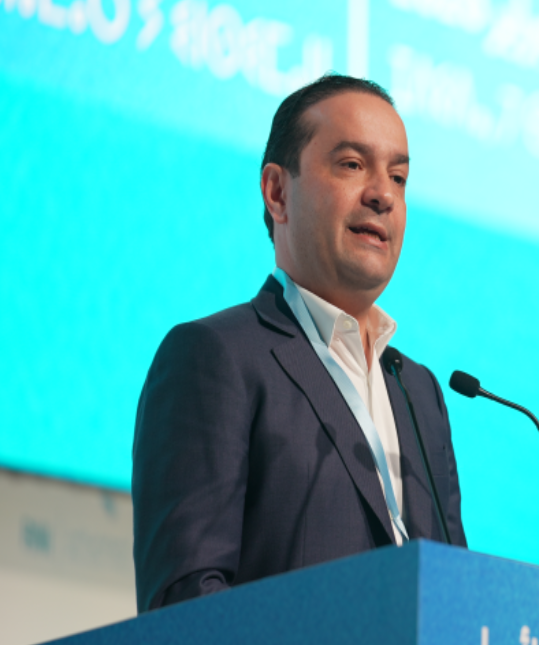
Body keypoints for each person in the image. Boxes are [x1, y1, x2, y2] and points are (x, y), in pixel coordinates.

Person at [131, 75, 467, 613]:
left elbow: (459, 601)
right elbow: (186, 604)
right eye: (352, 165)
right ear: (277, 192)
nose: (382, 194)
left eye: (398, 177)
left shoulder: (418, 392)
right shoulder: (214, 357)